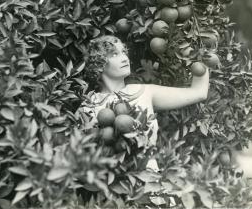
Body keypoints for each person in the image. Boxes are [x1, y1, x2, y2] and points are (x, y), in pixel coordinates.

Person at [78, 35, 210, 170]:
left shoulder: (145, 92)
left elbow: (199, 92)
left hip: (148, 178)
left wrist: (199, 55)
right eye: (114, 54)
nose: (124, 58)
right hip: (109, 182)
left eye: (124, 52)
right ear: (98, 64)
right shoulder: (88, 106)